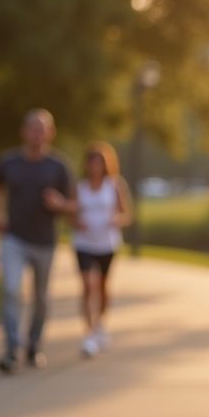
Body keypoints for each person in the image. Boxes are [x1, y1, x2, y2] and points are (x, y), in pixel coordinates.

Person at [0, 108, 75, 373]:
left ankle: (33, 346)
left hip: (45, 242)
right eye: (33, 128)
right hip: (14, 238)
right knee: (11, 290)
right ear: (23, 132)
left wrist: (60, 203)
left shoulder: (59, 166)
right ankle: (11, 350)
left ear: (50, 133)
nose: (37, 134)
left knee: (41, 298)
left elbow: (74, 204)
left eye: (42, 129)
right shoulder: (8, 162)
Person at [71, 141, 132, 358]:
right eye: (92, 162)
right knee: (88, 285)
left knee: (103, 287)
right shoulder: (80, 187)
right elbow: (72, 214)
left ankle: (100, 325)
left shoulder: (114, 185)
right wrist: (77, 222)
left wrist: (117, 219)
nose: (95, 166)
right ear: (87, 165)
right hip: (84, 243)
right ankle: (89, 334)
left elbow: (127, 214)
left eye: (100, 162)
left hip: (107, 244)